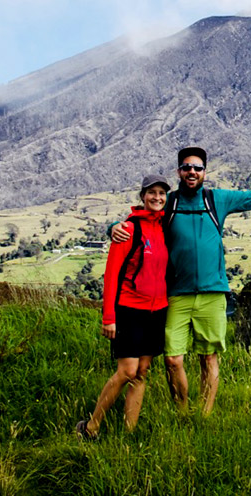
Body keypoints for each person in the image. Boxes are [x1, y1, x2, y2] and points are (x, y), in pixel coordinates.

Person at [113, 146, 251, 415]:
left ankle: (204, 415)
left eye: (197, 168)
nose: (192, 172)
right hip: (176, 294)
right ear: (179, 171)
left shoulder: (217, 200)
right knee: (173, 359)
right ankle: (183, 413)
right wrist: (114, 228)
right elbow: (141, 218)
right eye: (187, 167)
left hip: (213, 293)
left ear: (204, 172)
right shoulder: (170, 202)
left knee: (208, 357)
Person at [77, 173, 171, 436]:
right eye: (152, 193)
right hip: (130, 309)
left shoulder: (166, 227)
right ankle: (92, 426)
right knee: (127, 370)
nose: (157, 198)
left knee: (142, 372)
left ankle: (129, 433)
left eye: (162, 193)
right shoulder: (128, 229)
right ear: (142, 196)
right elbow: (112, 274)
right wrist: (108, 317)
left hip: (157, 311)